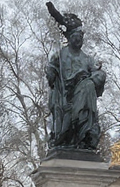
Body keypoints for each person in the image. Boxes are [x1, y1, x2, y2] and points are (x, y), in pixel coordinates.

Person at [45, 8, 106, 152]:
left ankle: (84, 134)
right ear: (70, 37)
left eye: (80, 37)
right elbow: (51, 70)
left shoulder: (87, 58)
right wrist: (51, 73)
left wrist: (95, 78)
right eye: (75, 36)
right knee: (86, 88)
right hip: (65, 96)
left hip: (83, 94)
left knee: (87, 86)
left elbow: (98, 73)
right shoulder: (61, 54)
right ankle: (69, 133)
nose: (78, 39)